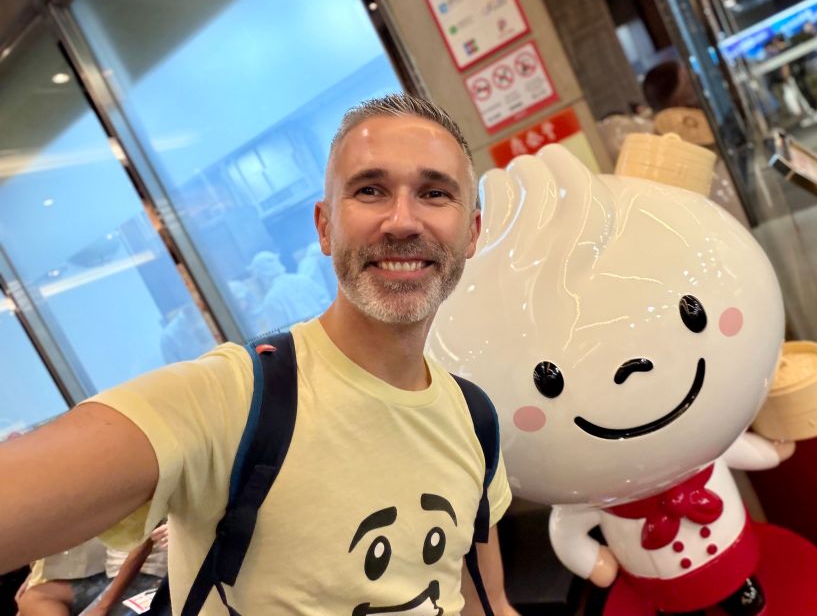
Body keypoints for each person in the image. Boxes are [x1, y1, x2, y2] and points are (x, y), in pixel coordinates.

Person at [0, 94, 517, 616]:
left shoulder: (472, 419)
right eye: (370, 190)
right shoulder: (233, 399)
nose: (402, 221)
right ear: (324, 226)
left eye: (434, 193)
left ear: (471, 233)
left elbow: (483, 601)